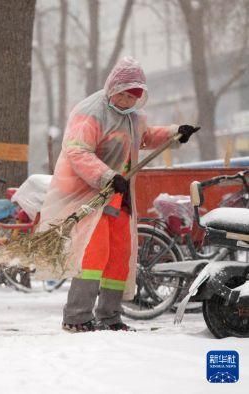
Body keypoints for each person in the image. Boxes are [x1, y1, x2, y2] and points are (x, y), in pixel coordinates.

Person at [39, 57, 199, 332]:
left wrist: (174, 133)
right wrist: (106, 176)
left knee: (119, 257)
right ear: (112, 87)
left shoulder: (133, 117)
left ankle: (109, 316)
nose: (127, 102)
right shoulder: (90, 113)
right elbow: (77, 151)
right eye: (123, 95)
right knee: (93, 255)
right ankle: (77, 316)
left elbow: (145, 137)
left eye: (132, 98)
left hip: (120, 197)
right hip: (91, 195)